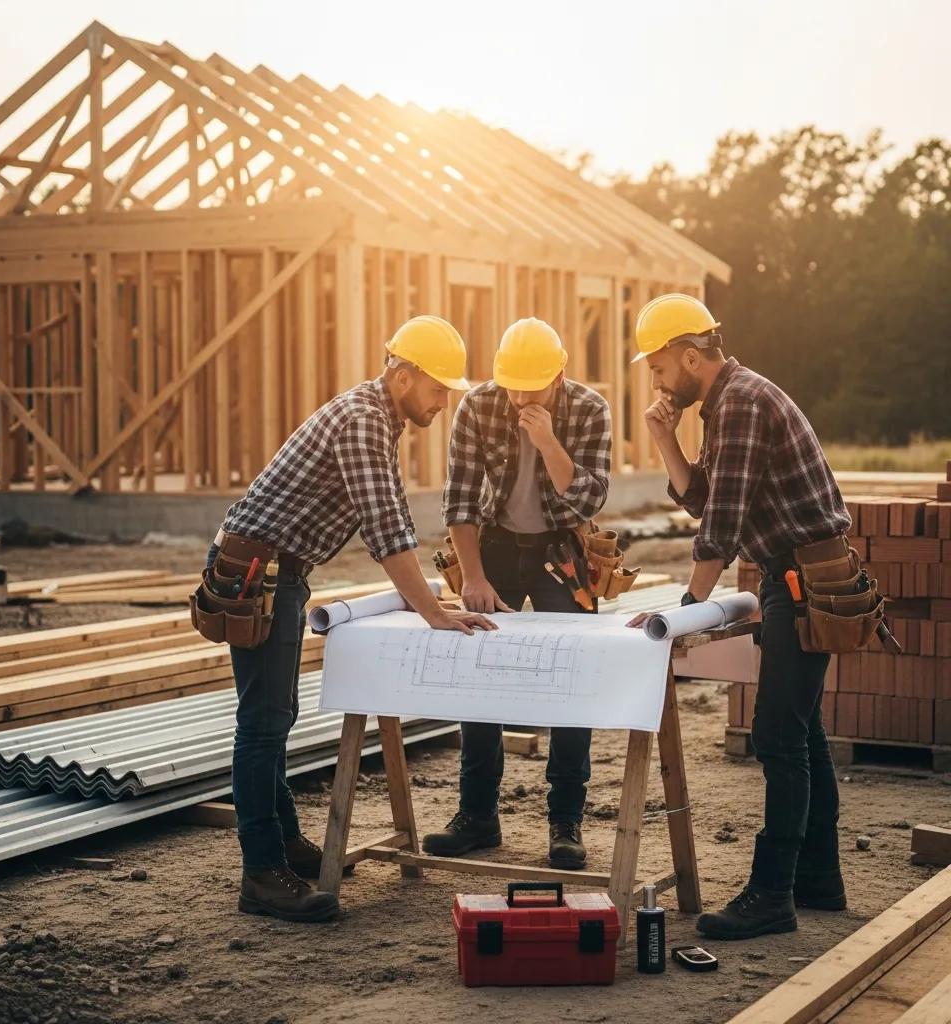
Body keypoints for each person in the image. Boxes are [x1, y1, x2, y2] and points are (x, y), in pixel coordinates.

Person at [208, 315, 498, 923]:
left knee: (274, 717)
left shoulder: (374, 417)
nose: (443, 402)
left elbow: (388, 513)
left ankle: (283, 844)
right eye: (436, 387)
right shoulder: (365, 421)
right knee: (261, 724)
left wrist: (430, 605)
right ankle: (261, 873)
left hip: (274, 570)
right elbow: (387, 531)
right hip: (259, 572)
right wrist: (434, 614)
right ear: (401, 374)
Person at [627, 293, 851, 940]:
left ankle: (773, 895)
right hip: (795, 575)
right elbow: (704, 497)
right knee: (800, 731)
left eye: (660, 368)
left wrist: (688, 612)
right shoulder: (728, 403)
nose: (657, 381)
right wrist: (666, 439)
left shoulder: (744, 404)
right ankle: (819, 880)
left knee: (778, 735)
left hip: (803, 578)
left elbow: (719, 528)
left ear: (690, 356)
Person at [422, 317, 612, 870]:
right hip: (495, 545)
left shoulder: (589, 409)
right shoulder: (478, 405)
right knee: (479, 674)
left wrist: (548, 439)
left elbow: (586, 503)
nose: (522, 396)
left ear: (561, 374)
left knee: (569, 677)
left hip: (563, 549)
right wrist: (475, 578)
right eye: (514, 386)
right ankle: (477, 814)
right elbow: (458, 499)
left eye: (535, 386)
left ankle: (565, 821)